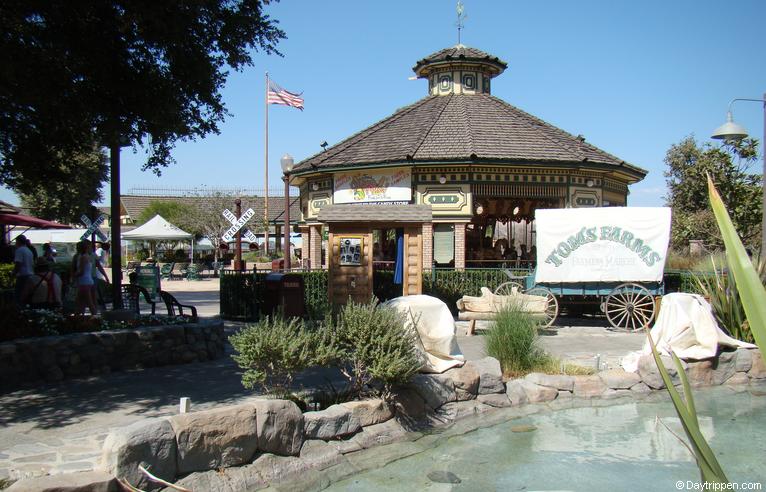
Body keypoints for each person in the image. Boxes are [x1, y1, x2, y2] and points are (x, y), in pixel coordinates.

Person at [74, 240, 100, 315]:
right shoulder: (88, 256)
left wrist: (74, 275)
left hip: (84, 281)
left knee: (88, 302)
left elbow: (81, 271)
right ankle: (80, 318)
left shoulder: (83, 257)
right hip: (88, 280)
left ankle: (96, 319)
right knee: (81, 302)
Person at [13, 235, 34, 306]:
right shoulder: (29, 251)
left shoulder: (19, 250)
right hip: (30, 275)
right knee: (27, 296)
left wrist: (13, 274)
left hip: (22, 276)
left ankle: (19, 312)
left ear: (18, 241)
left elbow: (18, 264)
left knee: (19, 296)